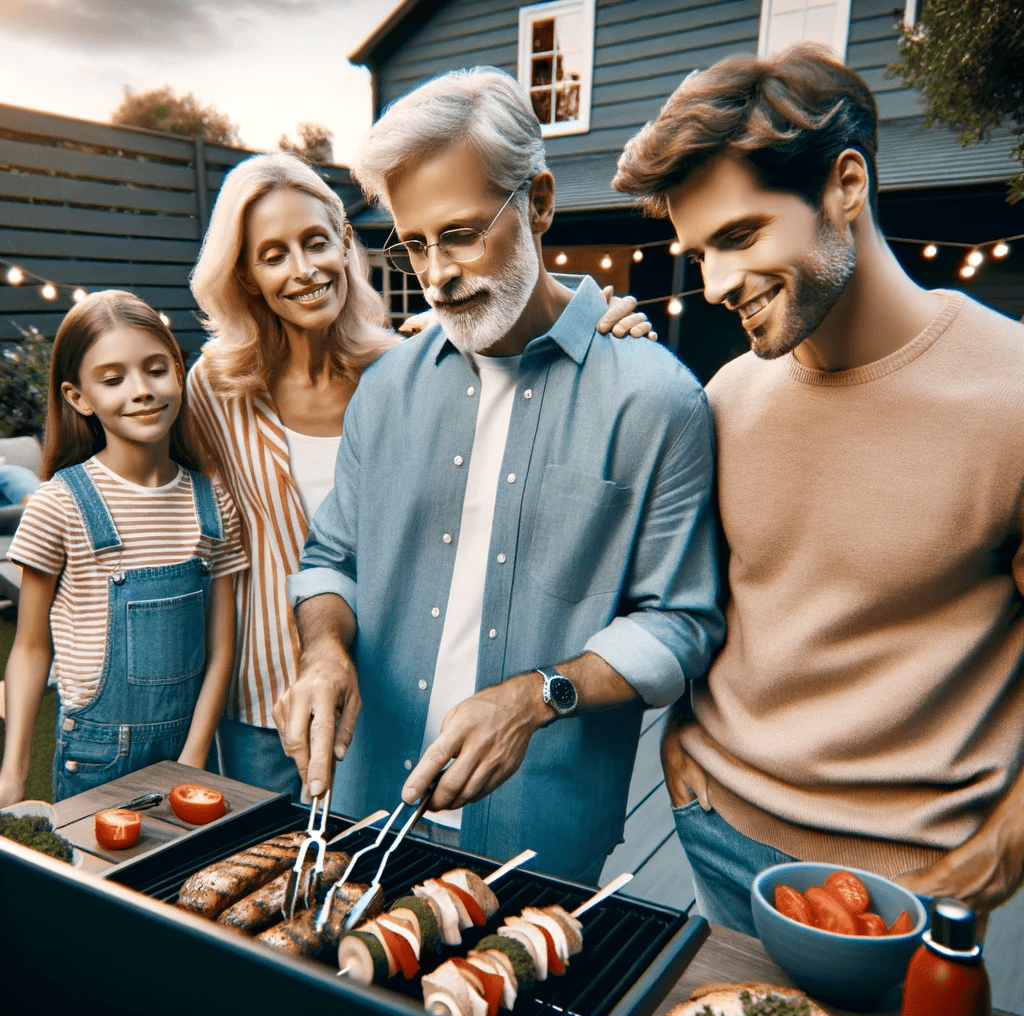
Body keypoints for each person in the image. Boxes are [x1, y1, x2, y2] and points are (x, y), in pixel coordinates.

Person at [612, 43, 1024, 934]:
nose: (715, 283)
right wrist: (682, 735)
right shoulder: (722, 398)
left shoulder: (1014, 396)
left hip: (902, 884)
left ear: (845, 185)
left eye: (740, 236)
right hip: (712, 830)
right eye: (698, 251)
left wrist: (1014, 836)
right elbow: (706, 600)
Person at [277, 68, 724, 883]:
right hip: (365, 805)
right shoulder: (384, 391)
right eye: (413, 244)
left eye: (461, 233)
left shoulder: (659, 399)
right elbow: (330, 562)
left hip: (538, 834)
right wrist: (325, 653)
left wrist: (535, 697)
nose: (437, 273)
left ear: (540, 202)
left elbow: (681, 624)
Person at [187, 153, 656, 800]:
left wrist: (606, 325)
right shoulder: (214, 387)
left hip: (389, 698)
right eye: (272, 254)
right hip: (264, 693)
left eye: (316, 242)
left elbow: (525, 337)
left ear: (346, 243)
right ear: (244, 275)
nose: (303, 270)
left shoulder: (414, 364)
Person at [0, 291, 246, 806]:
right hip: (93, 756)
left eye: (156, 369)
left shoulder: (212, 501)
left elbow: (222, 647)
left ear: (179, 373)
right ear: (78, 397)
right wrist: (12, 775)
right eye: (113, 380)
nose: (141, 391)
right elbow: (29, 646)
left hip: (191, 751)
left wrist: (194, 759)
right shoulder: (59, 504)